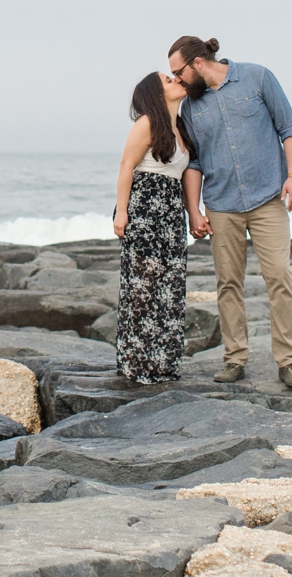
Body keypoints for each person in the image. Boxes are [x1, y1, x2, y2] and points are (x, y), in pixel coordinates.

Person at [170, 35, 292, 389]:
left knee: (279, 277)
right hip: (222, 206)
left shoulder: (257, 77)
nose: (178, 81)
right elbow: (195, 162)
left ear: (197, 63)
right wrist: (194, 210)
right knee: (228, 284)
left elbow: (289, 129)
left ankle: (289, 361)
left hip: (268, 198)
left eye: (178, 72)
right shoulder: (190, 109)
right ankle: (235, 358)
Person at [110, 70, 202, 384]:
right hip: (144, 208)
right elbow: (126, 166)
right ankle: (137, 365)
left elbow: (188, 174)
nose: (176, 80)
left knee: (171, 285)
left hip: (171, 211)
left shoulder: (180, 128)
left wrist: (193, 213)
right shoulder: (147, 122)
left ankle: (164, 364)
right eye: (167, 79)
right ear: (155, 93)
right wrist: (121, 212)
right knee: (142, 288)